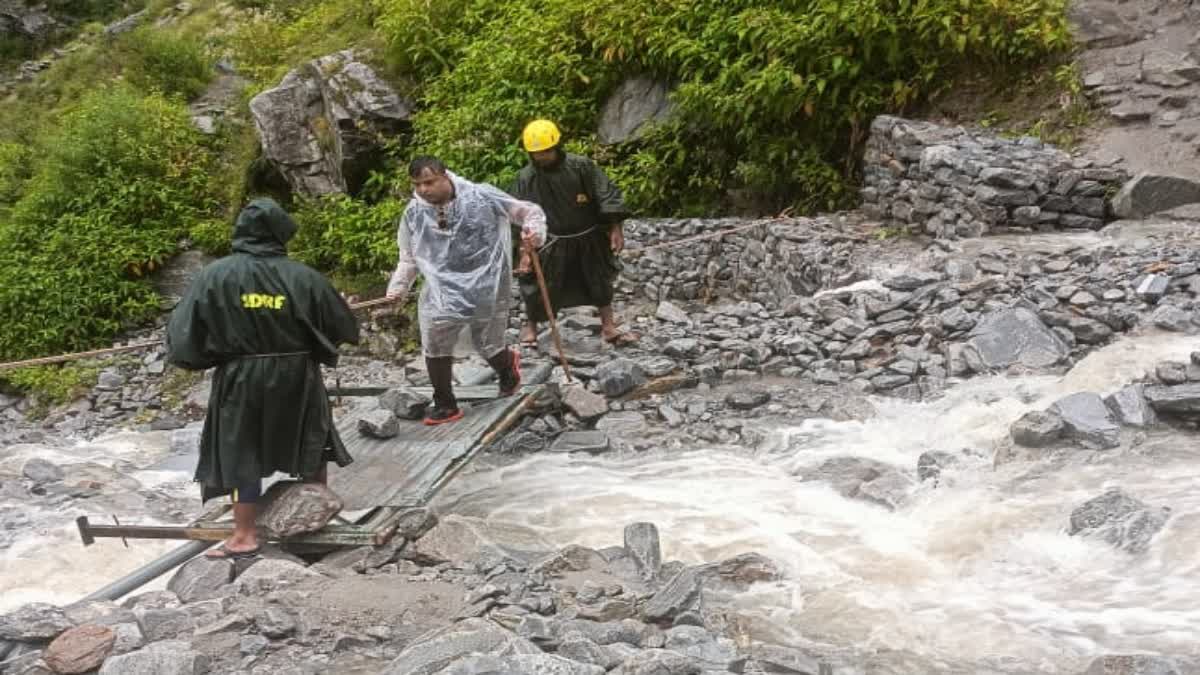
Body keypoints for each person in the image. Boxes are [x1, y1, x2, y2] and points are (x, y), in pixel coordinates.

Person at [166, 197, 360, 560]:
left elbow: (183, 338)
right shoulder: (305, 277)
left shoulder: (215, 276)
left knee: (242, 449)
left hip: (242, 375)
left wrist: (213, 356)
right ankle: (317, 516)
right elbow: (343, 326)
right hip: (297, 373)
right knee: (309, 437)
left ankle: (243, 535)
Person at [386, 156, 547, 425]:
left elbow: (527, 212)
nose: (423, 190)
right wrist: (398, 288)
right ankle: (445, 403)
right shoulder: (414, 213)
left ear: (444, 175)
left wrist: (534, 233)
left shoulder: (481, 195)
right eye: (417, 184)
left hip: (487, 284)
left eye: (429, 182)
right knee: (435, 342)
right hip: (442, 289)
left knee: (487, 342)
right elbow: (409, 257)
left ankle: (508, 367)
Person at [510, 119, 638, 348]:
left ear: (557, 146)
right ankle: (531, 327)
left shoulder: (581, 167)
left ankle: (608, 326)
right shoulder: (525, 178)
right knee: (535, 284)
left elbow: (606, 194)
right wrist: (524, 250)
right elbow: (519, 214)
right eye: (536, 153)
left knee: (599, 280)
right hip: (550, 240)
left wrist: (615, 227)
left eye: (546, 151)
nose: (542, 157)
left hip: (587, 236)